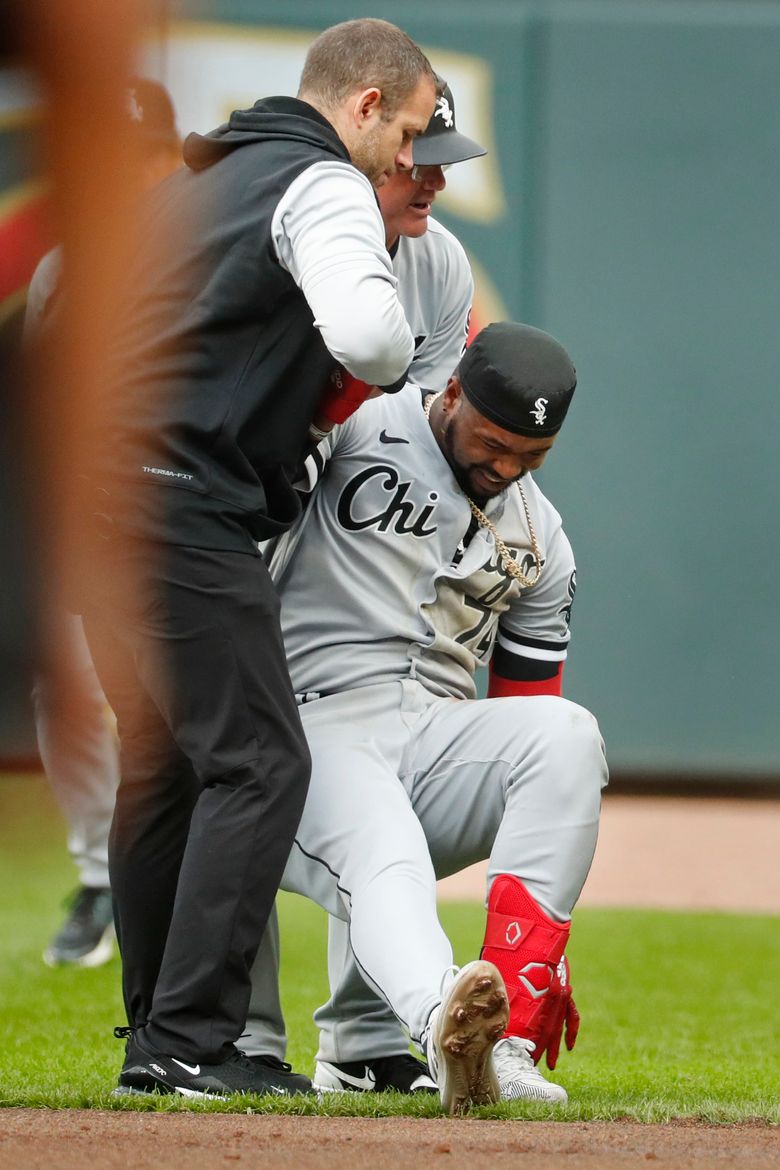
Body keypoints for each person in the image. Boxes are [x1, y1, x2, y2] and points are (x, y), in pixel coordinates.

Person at [74, 18, 438, 1099]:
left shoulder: (198, 179)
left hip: (95, 501)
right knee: (261, 761)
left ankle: (156, 1035)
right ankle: (191, 1039)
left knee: (165, 764)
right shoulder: (320, 181)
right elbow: (373, 338)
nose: (413, 158)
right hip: (178, 501)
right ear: (365, 106)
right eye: (411, 129)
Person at [264, 321, 608, 1106]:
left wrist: (541, 946)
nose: (506, 467)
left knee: (567, 737)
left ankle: (500, 1042)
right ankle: (438, 1028)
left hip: (429, 737)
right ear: (450, 391)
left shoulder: (538, 533)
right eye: (493, 442)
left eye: (532, 456)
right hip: (304, 727)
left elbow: (527, 712)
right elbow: (244, 518)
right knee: (384, 837)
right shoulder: (357, 428)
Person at [241, 80, 488, 1093]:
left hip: (349, 520)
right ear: (371, 138)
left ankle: (369, 1041)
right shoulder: (290, 218)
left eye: (445, 157)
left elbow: (418, 432)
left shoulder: (435, 263)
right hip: (230, 505)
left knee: (379, 740)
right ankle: (235, 1038)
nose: (433, 176)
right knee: (225, 762)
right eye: (417, 155)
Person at [25, 78, 183, 970]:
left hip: (202, 515)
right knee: (67, 690)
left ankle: (182, 883)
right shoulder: (67, 268)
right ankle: (100, 878)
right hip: (95, 524)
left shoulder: (219, 243)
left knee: (188, 712)